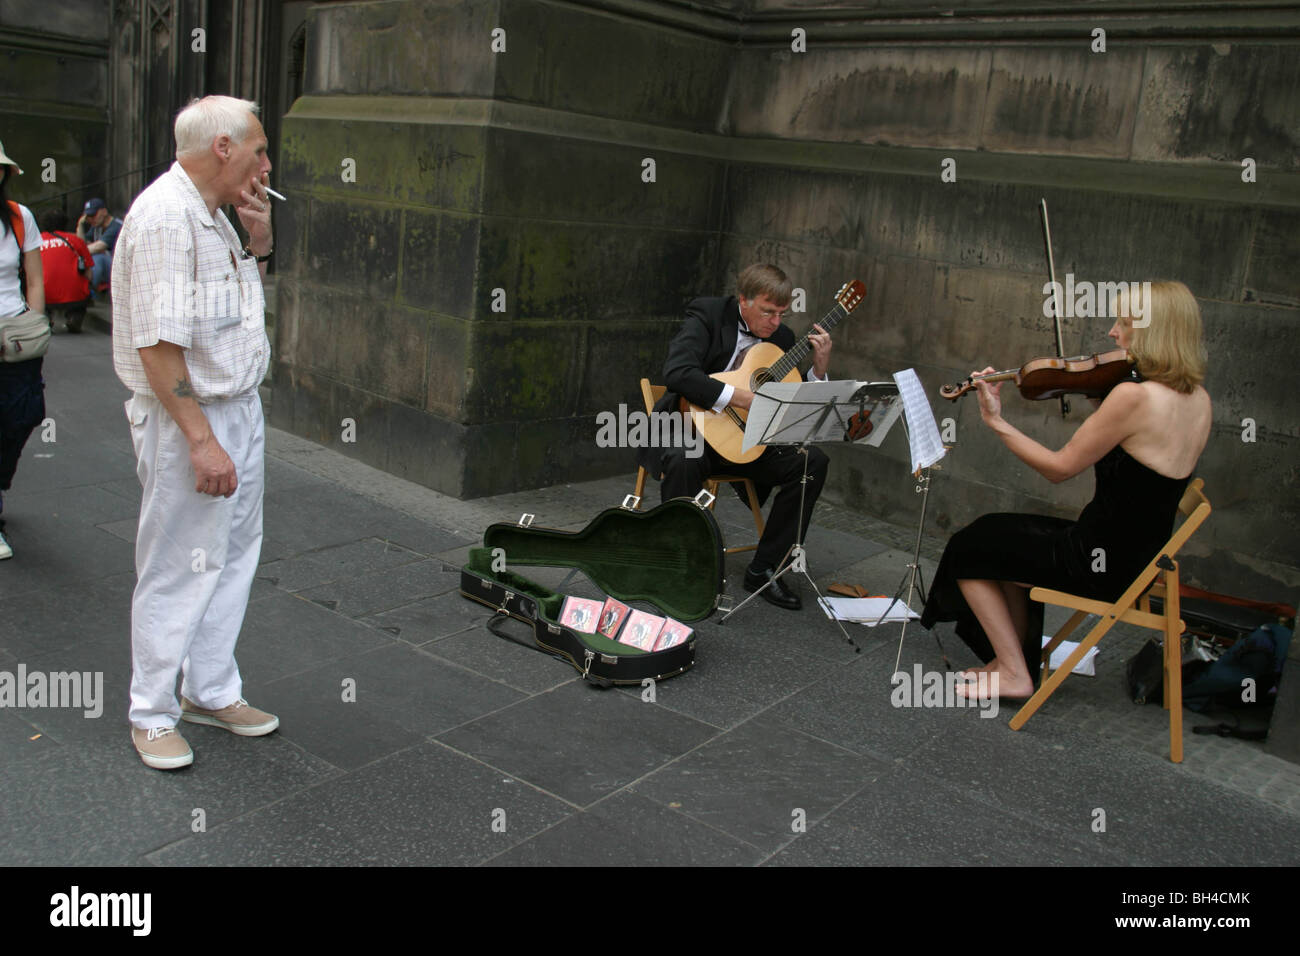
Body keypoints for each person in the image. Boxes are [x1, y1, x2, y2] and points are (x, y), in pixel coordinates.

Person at [920, 281, 1212, 699]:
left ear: (1154, 332)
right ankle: (1011, 661)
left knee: (970, 546)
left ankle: (1015, 675)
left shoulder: (1133, 397)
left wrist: (996, 421)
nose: (1113, 332)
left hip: (1095, 562)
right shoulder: (1198, 399)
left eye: (1124, 323)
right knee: (999, 534)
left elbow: (1059, 469)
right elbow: (1139, 466)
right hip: (1137, 564)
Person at [112, 95, 277, 769]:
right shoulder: (164, 218)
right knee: (179, 561)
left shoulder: (214, 214)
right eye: (260, 148)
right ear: (223, 148)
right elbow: (157, 345)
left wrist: (258, 244)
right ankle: (151, 712)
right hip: (192, 417)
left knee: (234, 552)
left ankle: (209, 688)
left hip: (237, 406)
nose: (268, 161)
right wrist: (201, 438)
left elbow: (227, 312)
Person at [640, 263, 832, 611]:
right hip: (690, 428)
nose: (775, 322)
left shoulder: (783, 340)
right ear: (743, 300)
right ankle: (679, 566)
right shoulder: (708, 315)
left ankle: (766, 568)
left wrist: (818, 369)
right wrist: (742, 397)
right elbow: (678, 373)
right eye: (768, 312)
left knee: (812, 461)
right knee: (686, 458)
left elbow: (794, 405)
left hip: (746, 441)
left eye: (782, 314)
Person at [0, 140, 46, 562]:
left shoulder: (19, 217)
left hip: (16, 334)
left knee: (24, 416)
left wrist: (35, 323)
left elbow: (34, 277)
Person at [39, 208, 94, 332]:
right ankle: (75, 315)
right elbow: (89, 272)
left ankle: (45, 317)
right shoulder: (77, 241)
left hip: (45, 294)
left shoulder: (36, 241)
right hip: (75, 293)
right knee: (82, 289)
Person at [76, 197, 121, 298]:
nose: (90, 219)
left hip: (121, 269)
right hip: (110, 270)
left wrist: (76, 251)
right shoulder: (96, 226)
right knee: (88, 258)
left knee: (98, 257)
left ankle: (87, 294)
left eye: (93, 215)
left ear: (104, 212)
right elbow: (82, 245)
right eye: (88, 216)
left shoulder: (116, 226)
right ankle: (84, 291)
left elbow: (97, 247)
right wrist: (80, 225)